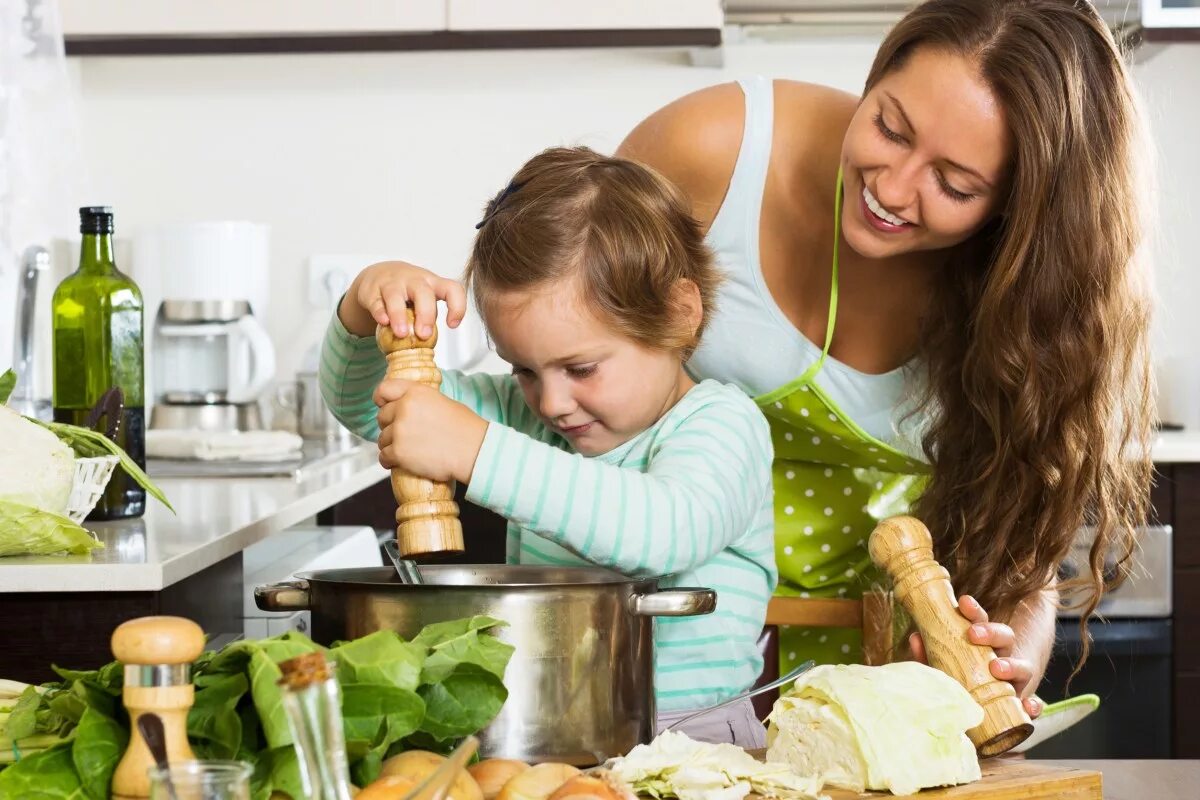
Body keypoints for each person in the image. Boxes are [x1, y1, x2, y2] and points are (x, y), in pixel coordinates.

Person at [349, 0, 1155, 719]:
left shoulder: (1033, 312)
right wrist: (363, 316)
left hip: (884, 679)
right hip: (632, 692)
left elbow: (1022, 550)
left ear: (1020, 209)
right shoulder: (712, 150)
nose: (894, 187)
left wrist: (1008, 653)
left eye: (954, 182)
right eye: (890, 127)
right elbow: (572, 300)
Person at [321, 146, 778, 746]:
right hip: (542, 733)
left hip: (699, 743)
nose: (552, 402)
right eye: (524, 370)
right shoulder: (524, 418)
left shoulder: (721, 424)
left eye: (580, 368)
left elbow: (666, 531)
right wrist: (361, 311)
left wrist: (475, 451)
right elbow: (373, 406)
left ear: (679, 314)